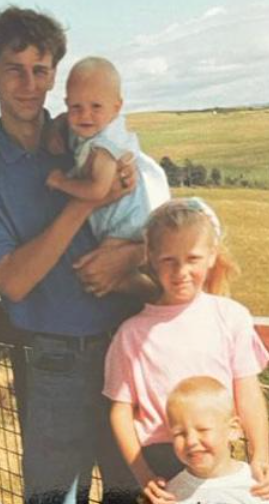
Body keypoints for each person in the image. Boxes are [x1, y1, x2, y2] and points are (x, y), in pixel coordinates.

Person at [0, 6, 169, 504]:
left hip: (129, 347)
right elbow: (13, 281)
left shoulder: (89, 134)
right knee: (54, 499)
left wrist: (130, 253)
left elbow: (151, 228)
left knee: (132, 492)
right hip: (54, 361)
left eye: (41, 70)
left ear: (54, 76)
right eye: (14, 69)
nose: (29, 84)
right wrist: (86, 199)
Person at [102, 197, 269, 503]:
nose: (181, 271)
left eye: (192, 258)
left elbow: (247, 391)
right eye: (169, 260)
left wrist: (261, 452)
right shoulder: (132, 334)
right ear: (151, 258)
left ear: (211, 257)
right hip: (160, 463)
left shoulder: (231, 317)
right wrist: (144, 475)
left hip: (218, 451)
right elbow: (121, 411)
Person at [46, 56, 170, 247]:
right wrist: (56, 126)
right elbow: (68, 117)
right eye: (76, 107)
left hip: (128, 225)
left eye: (96, 106)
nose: (85, 115)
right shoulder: (97, 124)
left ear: (116, 107)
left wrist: (61, 182)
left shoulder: (104, 147)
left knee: (100, 270)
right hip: (128, 219)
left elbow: (97, 191)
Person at [165, 376, 269, 504]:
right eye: (179, 433)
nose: (191, 441)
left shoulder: (258, 485)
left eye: (203, 430)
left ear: (233, 430)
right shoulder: (171, 493)